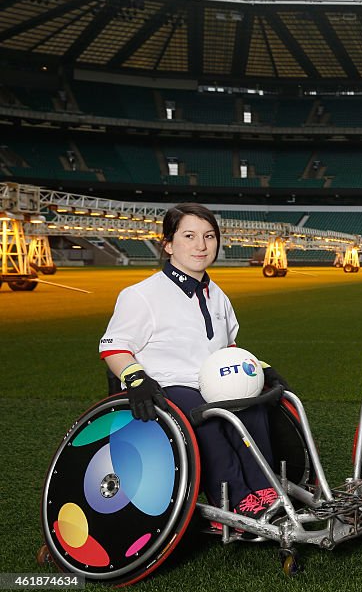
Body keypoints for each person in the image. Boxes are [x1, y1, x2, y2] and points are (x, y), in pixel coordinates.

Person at [99, 203, 289, 522]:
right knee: (208, 416)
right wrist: (135, 378)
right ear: (169, 244)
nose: (201, 245)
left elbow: (227, 346)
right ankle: (234, 500)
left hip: (214, 379)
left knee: (253, 406)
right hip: (167, 385)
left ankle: (266, 489)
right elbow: (114, 348)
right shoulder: (140, 295)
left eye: (209, 236)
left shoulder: (218, 295)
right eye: (189, 236)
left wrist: (263, 367)